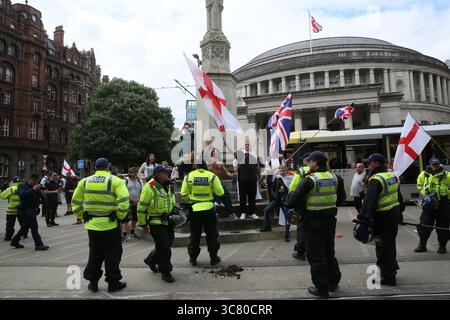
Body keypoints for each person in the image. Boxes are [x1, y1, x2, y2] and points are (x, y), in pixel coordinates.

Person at [287, 151, 346, 298]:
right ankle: (333, 282)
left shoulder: (310, 180)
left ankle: (322, 288)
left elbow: (292, 201)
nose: (308, 165)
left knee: (316, 255)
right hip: (330, 221)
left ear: (315, 163)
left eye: (309, 162)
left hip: (313, 222)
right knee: (329, 252)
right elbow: (341, 199)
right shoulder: (335, 178)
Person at [71, 158, 129, 293]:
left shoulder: (84, 182)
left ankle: (93, 282)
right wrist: (119, 216)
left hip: (92, 226)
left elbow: (75, 202)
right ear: (108, 167)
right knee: (113, 254)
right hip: (110, 225)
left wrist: (82, 216)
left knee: (95, 254)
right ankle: (113, 282)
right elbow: (124, 202)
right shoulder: (116, 181)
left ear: (96, 168)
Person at [358, 153, 405, 287]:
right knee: (390, 244)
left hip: (382, 218)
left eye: (369, 163)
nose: (368, 165)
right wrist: (400, 211)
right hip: (393, 215)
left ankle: (388, 276)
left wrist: (362, 218)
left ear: (376, 164)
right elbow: (398, 196)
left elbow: (369, 203)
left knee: (383, 247)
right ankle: (391, 269)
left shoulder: (376, 180)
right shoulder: (392, 176)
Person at [181, 155, 225, 267]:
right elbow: (220, 193)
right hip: (209, 209)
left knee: (195, 235)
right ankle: (214, 258)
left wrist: (191, 200)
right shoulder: (212, 176)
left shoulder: (189, 176)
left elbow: (184, 194)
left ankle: (193, 258)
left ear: (195, 165)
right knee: (211, 234)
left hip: (195, 209)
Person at [138, 165, 176, 283]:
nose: (168, 175)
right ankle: (165, 272)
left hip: (168, 221)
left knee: (166, 244)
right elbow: (141, 207)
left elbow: (170, 202)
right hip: (155, 222)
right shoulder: (149, 187)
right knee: (164, 247)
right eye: (165, 173)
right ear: (159, 174)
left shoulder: (168, 186)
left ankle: (151, 259)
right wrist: (143, 225)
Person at [415, 158, 450, 254]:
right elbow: (419, 185)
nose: (435, 166)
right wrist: (425, 194)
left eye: (437, 164)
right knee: (425, 223)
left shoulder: (447, 175)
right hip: (429, 201)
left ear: (440, 164)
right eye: (433, 165)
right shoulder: (423, 174)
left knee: (443, 225)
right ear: (430, 165)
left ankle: (442, 246)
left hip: (444, 201)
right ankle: (422, 245)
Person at [10, 173, 49, 251]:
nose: (35, 182)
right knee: (34, 227)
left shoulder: (35, 186)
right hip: (25, 210)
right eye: (34, 180)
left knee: (25, 227)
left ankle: (15, 241)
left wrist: (41, 193)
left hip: (33, 209)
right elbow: (23, 194)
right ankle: (39, 244)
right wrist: (33, 189)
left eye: (36, 181)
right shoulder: (22, 186)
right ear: (30, 179)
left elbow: (37, 197)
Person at [261, 166, 293, 242]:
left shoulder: (291, 178)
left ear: (286, 170)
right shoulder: (277, 178)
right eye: (281, 169)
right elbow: (272, 188)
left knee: (287, 216)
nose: (282, 171)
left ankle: (287, 235)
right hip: (277, 200)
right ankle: (267, 227)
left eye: (284, 169)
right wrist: (274, 195)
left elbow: (293, 190)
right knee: (266, 210)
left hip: (285, 201)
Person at [290, 153, 311, 261]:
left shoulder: (301, 171)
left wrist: (291, 201)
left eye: (303, 160)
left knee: (302, 228)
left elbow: (293, 187)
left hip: (302, 206)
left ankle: (300, 252)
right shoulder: (322, 171)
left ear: (306, 160)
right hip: (317, 207)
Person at [207, 148, 238, 220]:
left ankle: (231, 212)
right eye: (213, 151)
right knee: (215, 196)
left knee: (226, 195)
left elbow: (226, 172)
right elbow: (208, 169)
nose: (215, 152)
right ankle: (215, 213)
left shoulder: (220, 162)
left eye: (216, 150)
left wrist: (232, 174)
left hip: (219, 182)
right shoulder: (209, 161)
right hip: (211, 183)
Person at [234, 141, 261, 221]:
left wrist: (259, 177)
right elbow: (235, 152)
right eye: (245, 144)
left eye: (248, 144)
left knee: (252, 197)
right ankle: (243, 212)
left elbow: (257, 168)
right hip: (242, 180)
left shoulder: (254, 155)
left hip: (252, 179)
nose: (247, 146)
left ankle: (252, 212)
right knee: (242, 197)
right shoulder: (240, 154)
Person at [1, 177, 28, 241]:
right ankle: (24, 234)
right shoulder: (23, 188)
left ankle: (8, 237)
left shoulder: (10, 189)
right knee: (23, 222)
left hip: (11, 210)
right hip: (21, 209)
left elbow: (2, 196)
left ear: (13, 182)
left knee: (10, 224)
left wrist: (3, 189)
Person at [122, 167, 142, 241]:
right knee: (126, 219)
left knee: (135, 218)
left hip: (136, 201)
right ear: (129, 173)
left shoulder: (139, 181)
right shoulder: (126, 181)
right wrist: (131, 199)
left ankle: (132, 233)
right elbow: (124, 191)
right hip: (128, 202)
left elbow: (141, 191)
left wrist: (138, 199)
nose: (134, 174)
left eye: (135, 172)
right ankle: (124, 234)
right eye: (132, 172)